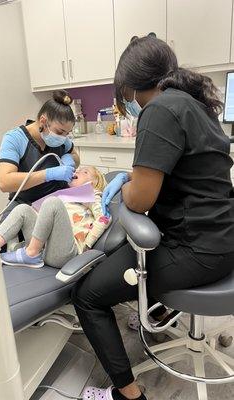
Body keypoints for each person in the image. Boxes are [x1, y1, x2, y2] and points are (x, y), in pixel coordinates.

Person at [72, 36, 234, 400]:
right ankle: (159, 313)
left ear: (129, 86)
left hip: (195, 250)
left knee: (87, 295)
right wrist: (133, 177)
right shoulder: (197, 107)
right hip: (224, 241)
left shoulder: (158, 110)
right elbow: (182, 177)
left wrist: (125, 187)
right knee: (121, 267)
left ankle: (129, 395)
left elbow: (142, 200)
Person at [0, 167, 110, 270]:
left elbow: (103, 218)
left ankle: (31, 253)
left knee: (52, 203)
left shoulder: (92, 194)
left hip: (66, 254)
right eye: (80, 168)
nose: (79, 169)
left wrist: (87, 246)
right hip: (46, 248)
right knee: (23, 209)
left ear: (94, 183)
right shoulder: (67, 196)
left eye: (85, 172)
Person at [0, 89, 80, 221]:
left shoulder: (61, 139)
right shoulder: (15, 138)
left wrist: (69, 159)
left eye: (67, 133)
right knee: (5, 236)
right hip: (25, 205)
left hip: (59, 202)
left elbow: (75, 157)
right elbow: (4, 182)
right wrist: (48, 174)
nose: (64, 138)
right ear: (43, 121)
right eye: (60, 132)